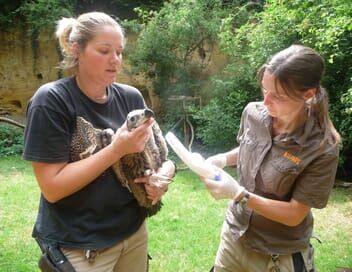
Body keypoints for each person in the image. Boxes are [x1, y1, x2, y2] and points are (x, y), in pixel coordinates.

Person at [23, 12, 175, 272]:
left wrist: (163, 177)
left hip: (132, 233)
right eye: (104, 50)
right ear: (76, 49)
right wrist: (116, 149)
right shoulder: (51, 101)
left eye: (119, 51)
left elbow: (161, 156)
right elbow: (52, 187)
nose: (115, 60)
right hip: (79, 243)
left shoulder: (131, 98)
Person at [201, 45, 340, 272]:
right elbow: (252, 148)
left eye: (278, 96)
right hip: (234, 236)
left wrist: (238, 194)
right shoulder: (253, 113)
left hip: (277, 255)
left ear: (308, 95)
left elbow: (294, 214)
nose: (266, 102)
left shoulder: (323, 147)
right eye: (265, 90)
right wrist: (223, 159)